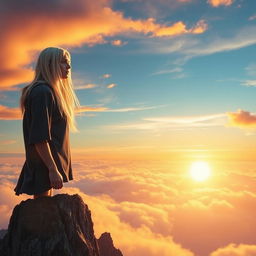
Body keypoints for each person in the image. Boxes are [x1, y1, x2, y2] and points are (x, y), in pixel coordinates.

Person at [14, 47, 80, 199]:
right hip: (44, 166)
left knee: (45, 211)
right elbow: (39, 137)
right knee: (42, 214)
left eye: (68, 63)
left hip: (46, 166)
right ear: (50, 64)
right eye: (63, 62)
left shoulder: (49, 92)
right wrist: (52, 168)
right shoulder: (42, 92)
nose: (68, 67)